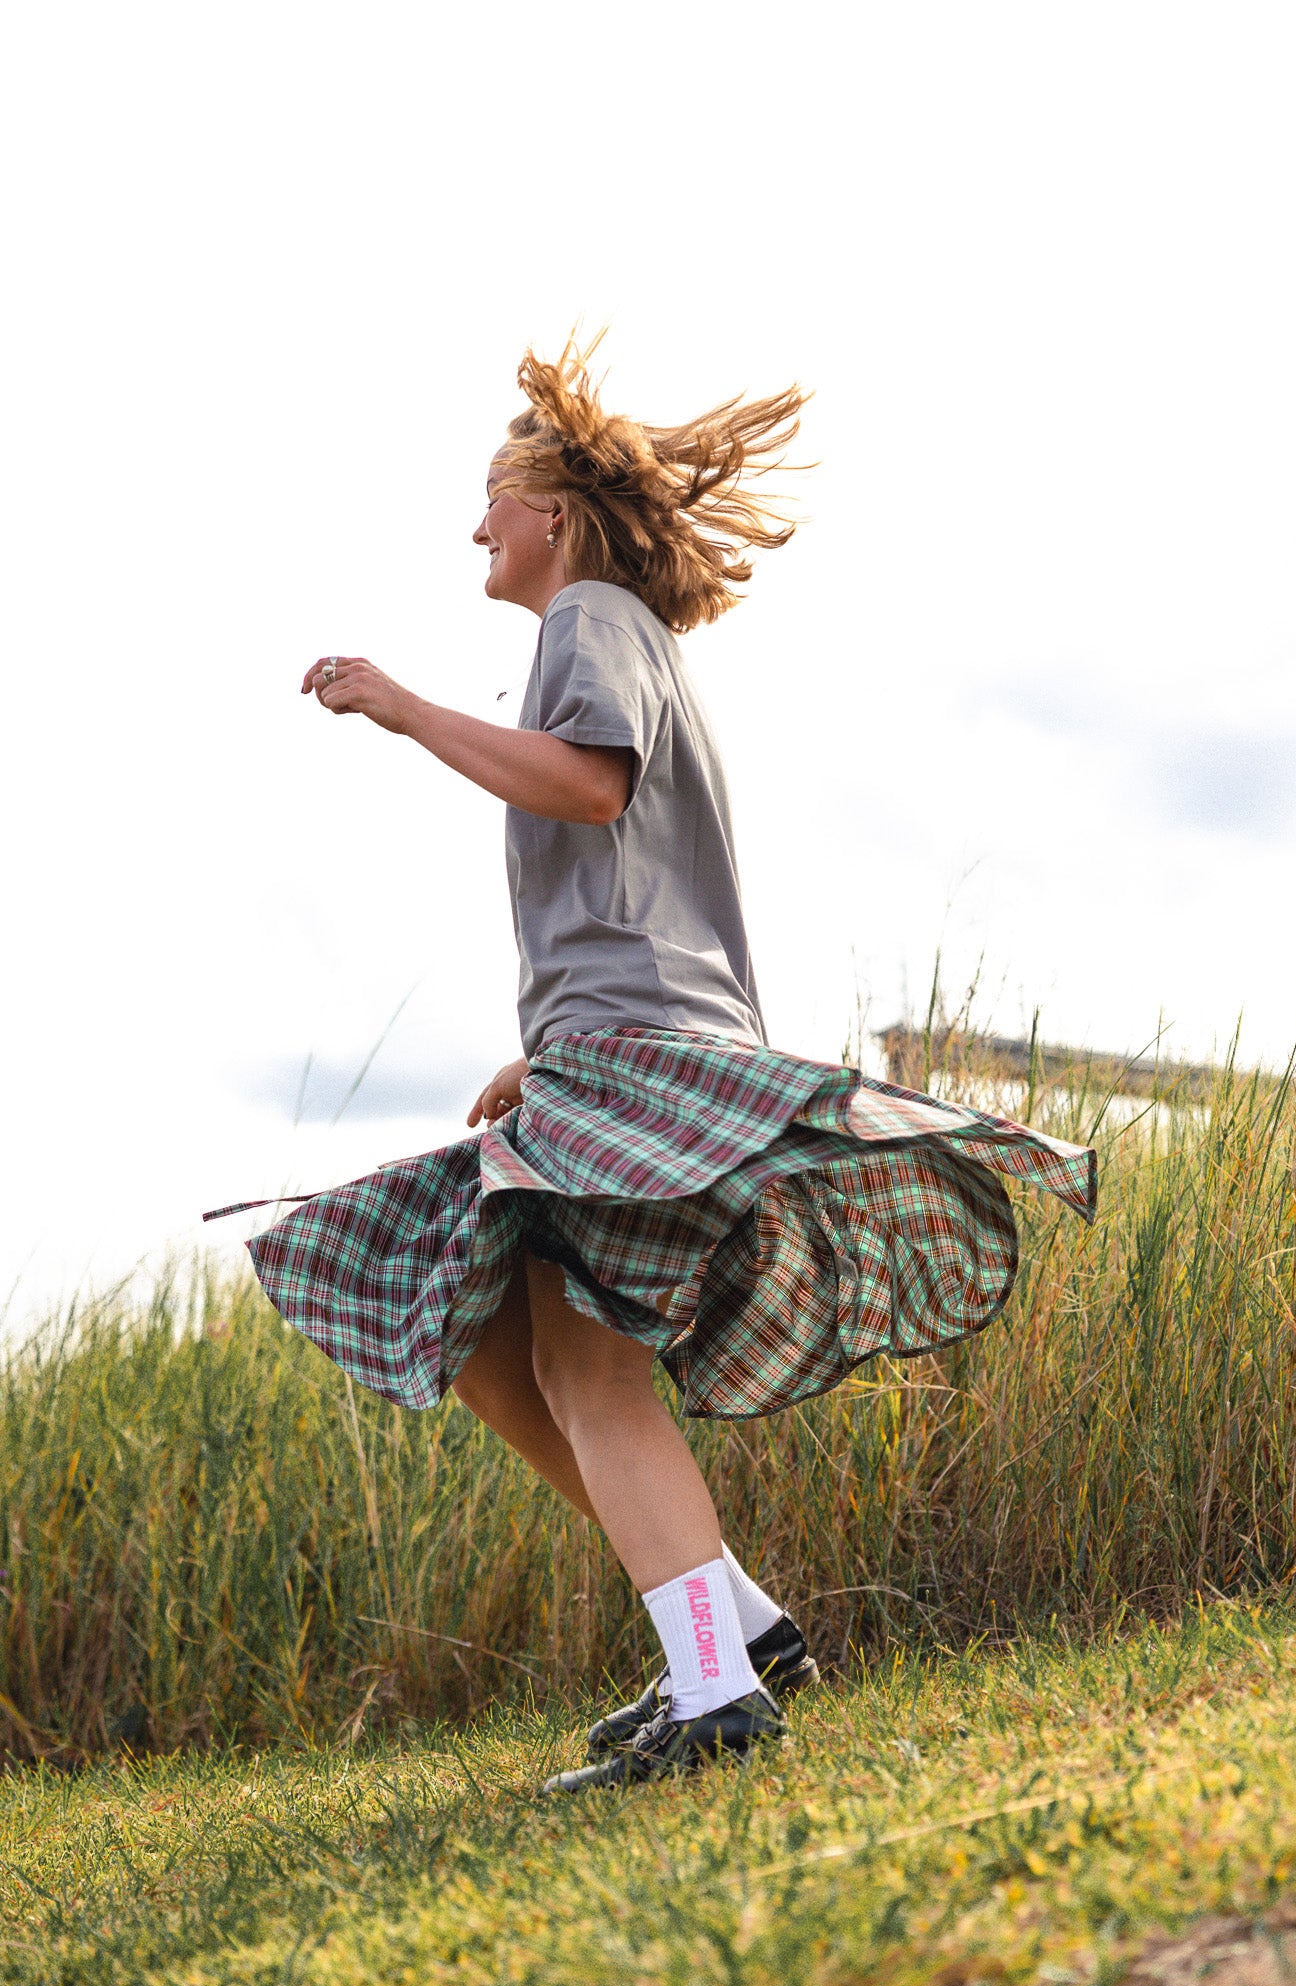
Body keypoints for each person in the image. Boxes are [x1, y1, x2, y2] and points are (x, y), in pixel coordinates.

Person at [208, 333, 1096, 1793]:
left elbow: (585, 785)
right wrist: (537, 1052)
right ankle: (732, 1625)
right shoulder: (612, 632)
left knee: (583, 1365)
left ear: (551, 514)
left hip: (642, 1056)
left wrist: (402, 706)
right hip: (603, 1049)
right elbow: (632, 882)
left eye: (491, 498)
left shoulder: (592, 618)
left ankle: (716, 1691)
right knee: (491, 1342)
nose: (474, 527)